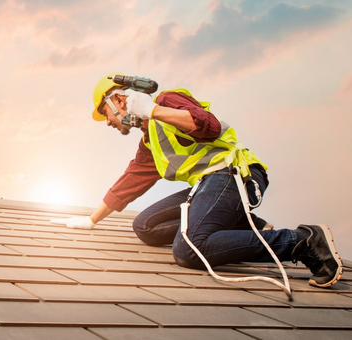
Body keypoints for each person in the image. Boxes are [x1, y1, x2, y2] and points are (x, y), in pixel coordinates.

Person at [51, 72, 343, 288]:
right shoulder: (150, 140)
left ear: (116, 100)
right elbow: (130, 182)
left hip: (233, 174)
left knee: (189, 248)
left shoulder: (167, 101)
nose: (107, 122)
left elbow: (209, 126)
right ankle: (243, 223)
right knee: (145, 226)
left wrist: (153, 111)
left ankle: (303, 241)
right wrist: (92, 220)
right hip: (209, 185)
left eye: (105, 113)